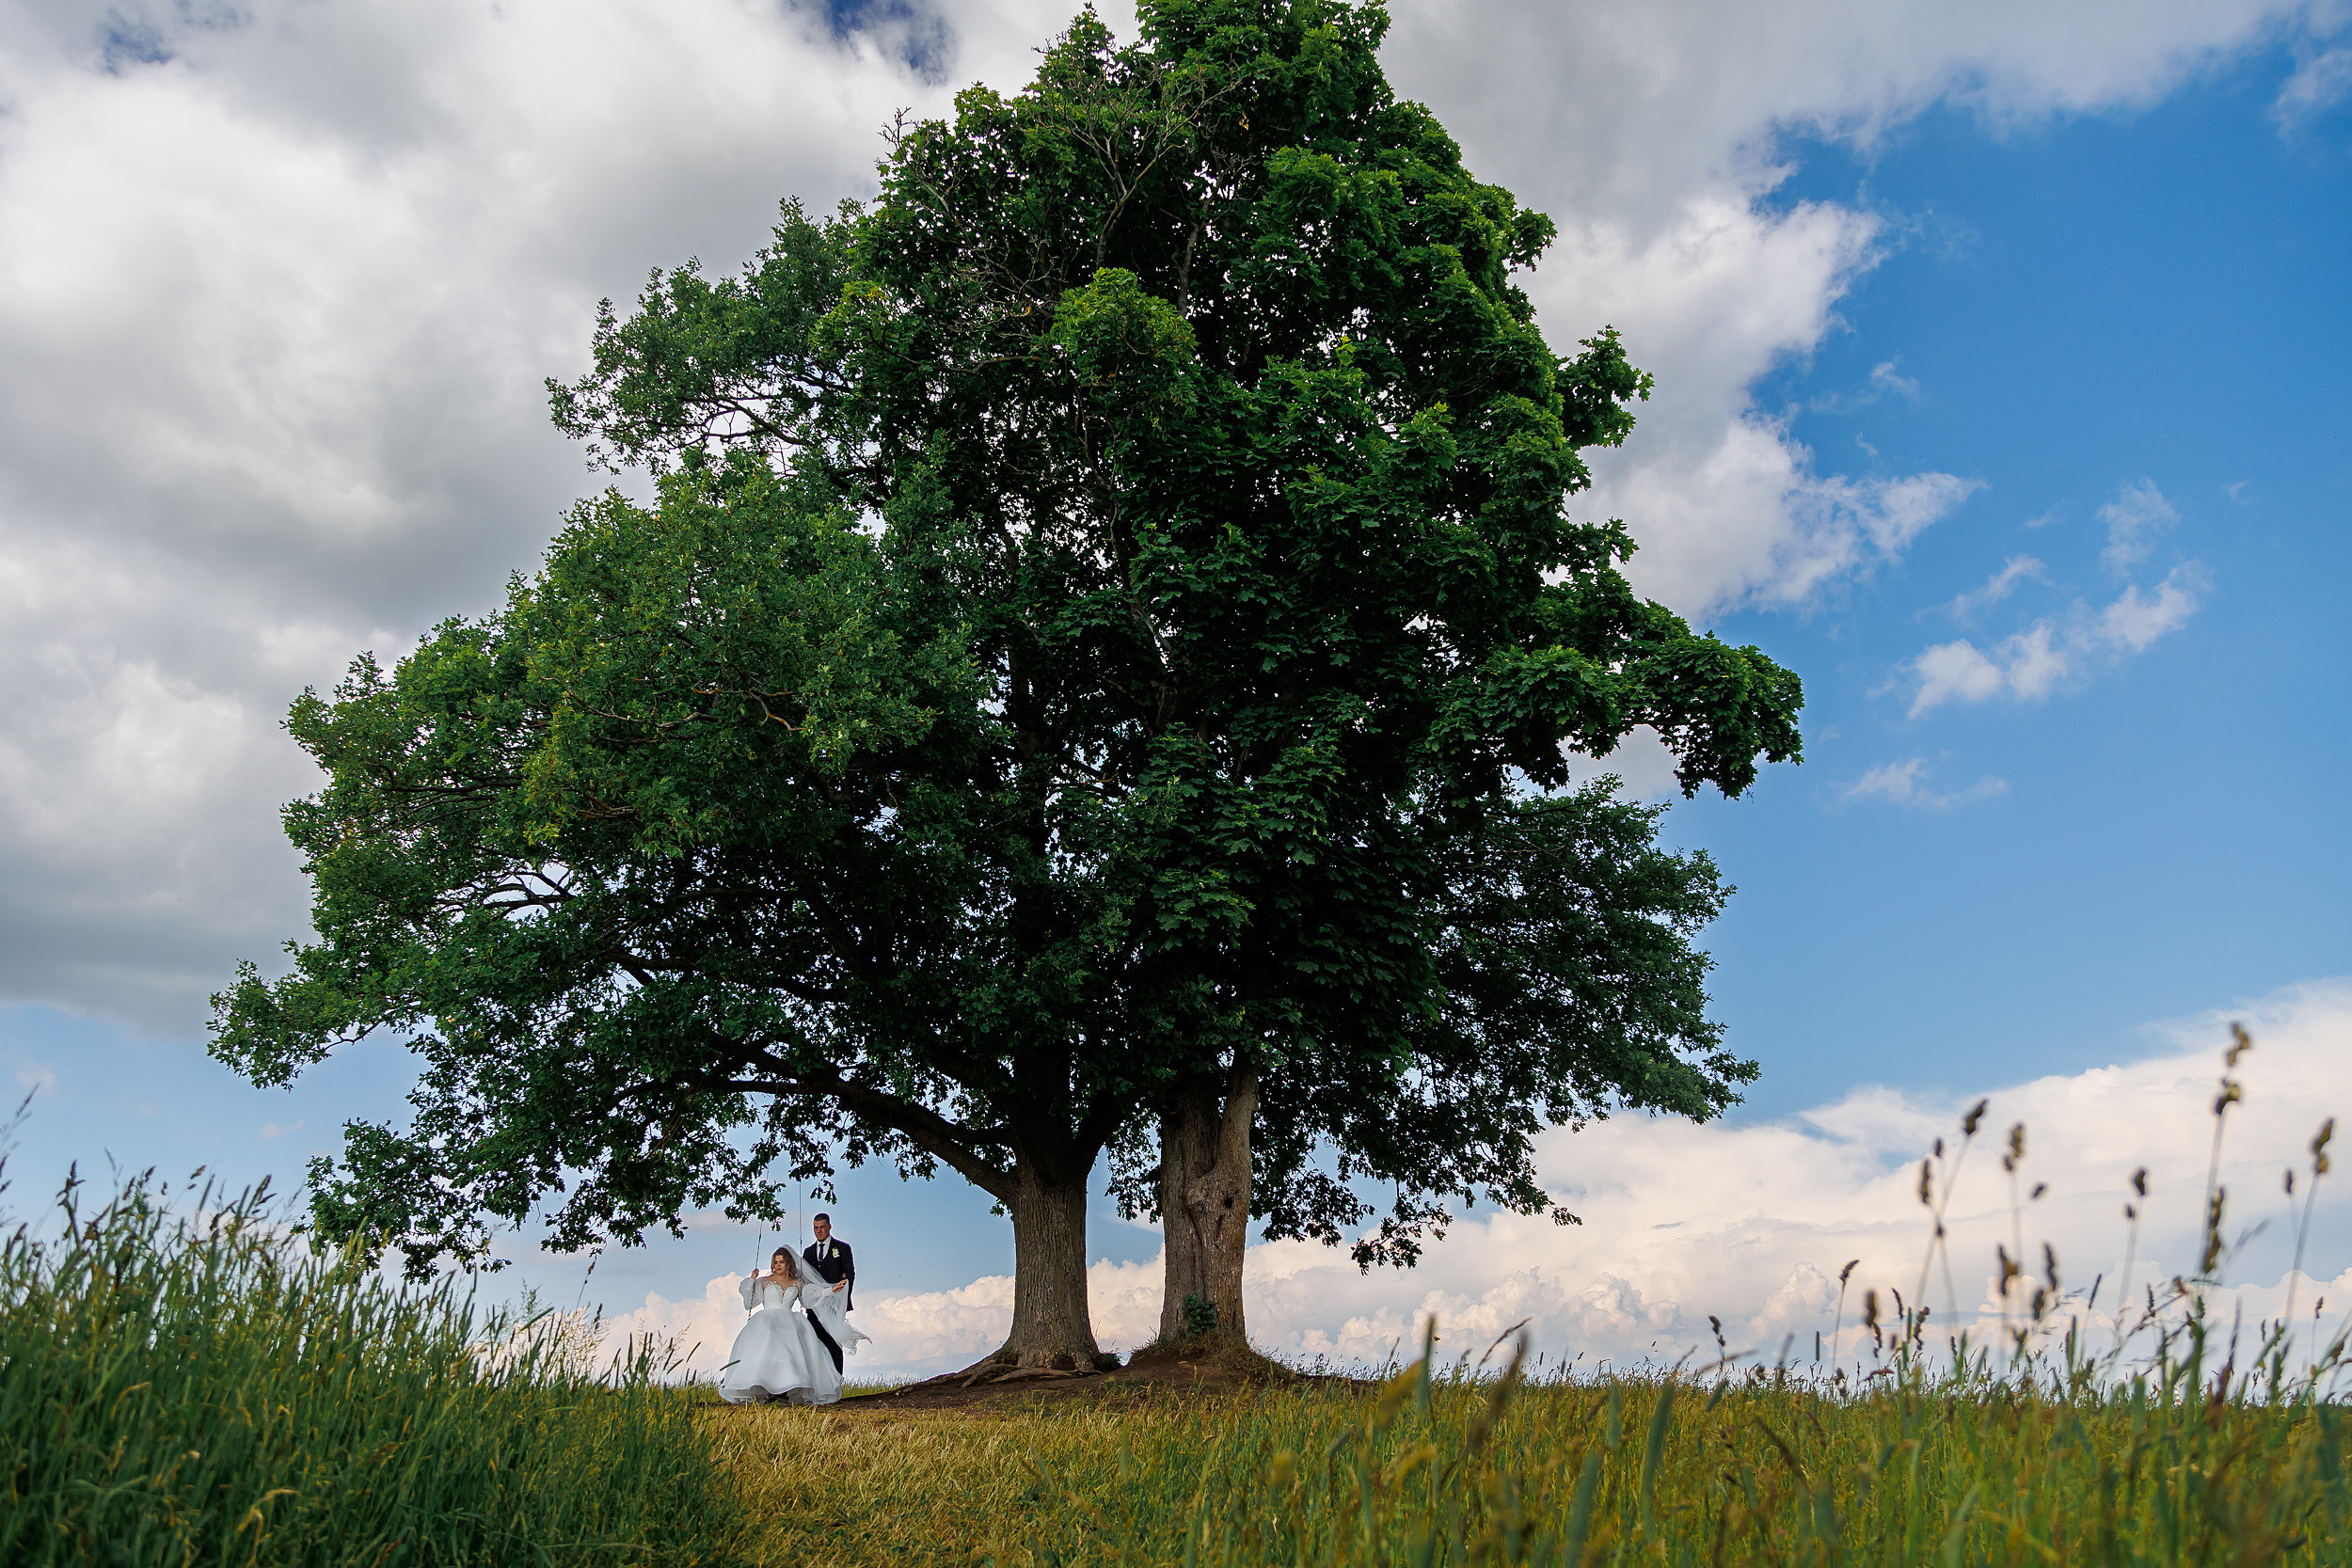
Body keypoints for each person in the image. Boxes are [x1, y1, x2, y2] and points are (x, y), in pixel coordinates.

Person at [718, 1246, 866, 1404]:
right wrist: (751, 1281)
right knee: (764, 1351)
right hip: (766, 1322)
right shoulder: (765, 1282)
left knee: (790, 1354)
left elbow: (810, 1299)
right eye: (775, 1262)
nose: (778, 1265)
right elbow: (749, 1304)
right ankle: (761, 1389)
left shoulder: (797, 1283)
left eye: (782, 1262)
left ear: (788, 1263)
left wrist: (830, 1290)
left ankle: (790, 1389)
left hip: (790, 1323)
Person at [802, 1212, 855, 1374]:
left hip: (834, 1305)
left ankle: (836, 1380)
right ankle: (819, 1384)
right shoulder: (808, 1252)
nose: (819, 1231)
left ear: (829, 1227)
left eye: (822, 1227)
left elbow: (849, 1275)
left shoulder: (842, 1248)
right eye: (816, 1228)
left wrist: (842, 1300)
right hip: (815, 1307)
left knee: (833, 1343)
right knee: (815, 1344)